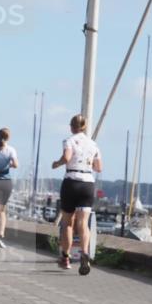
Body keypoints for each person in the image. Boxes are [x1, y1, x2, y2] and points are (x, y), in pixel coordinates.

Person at [51, 114, 102, 275]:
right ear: (85, 127)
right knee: (83, 222)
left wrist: (56, 163)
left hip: (71, 181)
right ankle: (84, 252)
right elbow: (98, 167)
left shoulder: (69, 140)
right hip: (87, 183)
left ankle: (65, 258)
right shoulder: (94, 145)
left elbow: (67, 157)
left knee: (67, 222)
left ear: (72, 126)